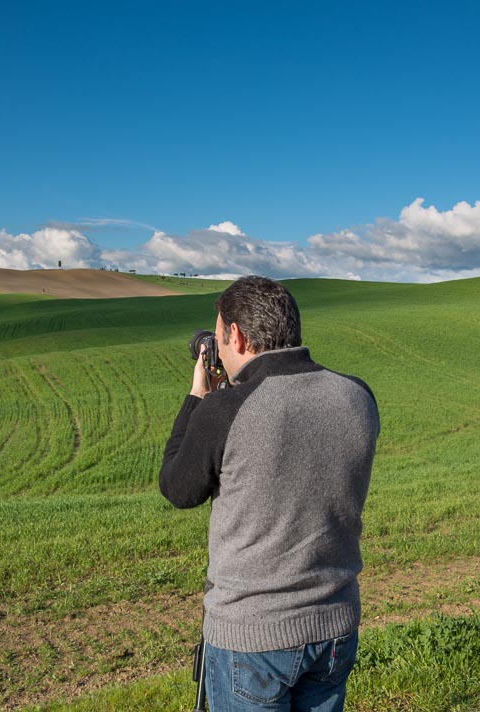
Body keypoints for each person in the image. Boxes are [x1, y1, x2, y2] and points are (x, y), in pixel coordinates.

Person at [159, 275, 380, 711]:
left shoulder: (225, 409)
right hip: (334, 627)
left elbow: (177, 488)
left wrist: (197, 396)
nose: (218, 347)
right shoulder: (357, 395)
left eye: (219, 337)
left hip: (252, 637)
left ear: (236, 336)